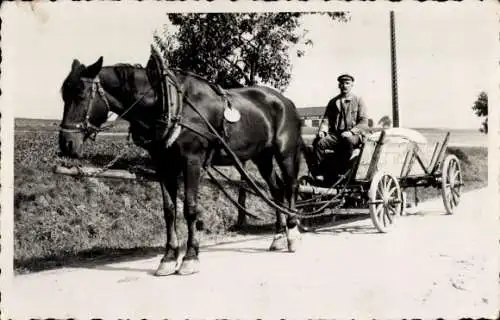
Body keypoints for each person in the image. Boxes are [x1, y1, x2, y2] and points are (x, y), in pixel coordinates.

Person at [306, 74, 369, 177]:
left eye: (347, 83)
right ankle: (319, 173)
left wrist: (351, 132)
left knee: (347, 142)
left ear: (352, 85)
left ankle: (341, 172)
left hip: (354, 135)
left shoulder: (358, 100)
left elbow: (364, 122)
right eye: (342, 83)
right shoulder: (333, 102)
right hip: (336, 135)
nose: (344, 86)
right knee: (319, 143)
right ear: (339, 85)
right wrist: (323, 131)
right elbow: (326, 119)